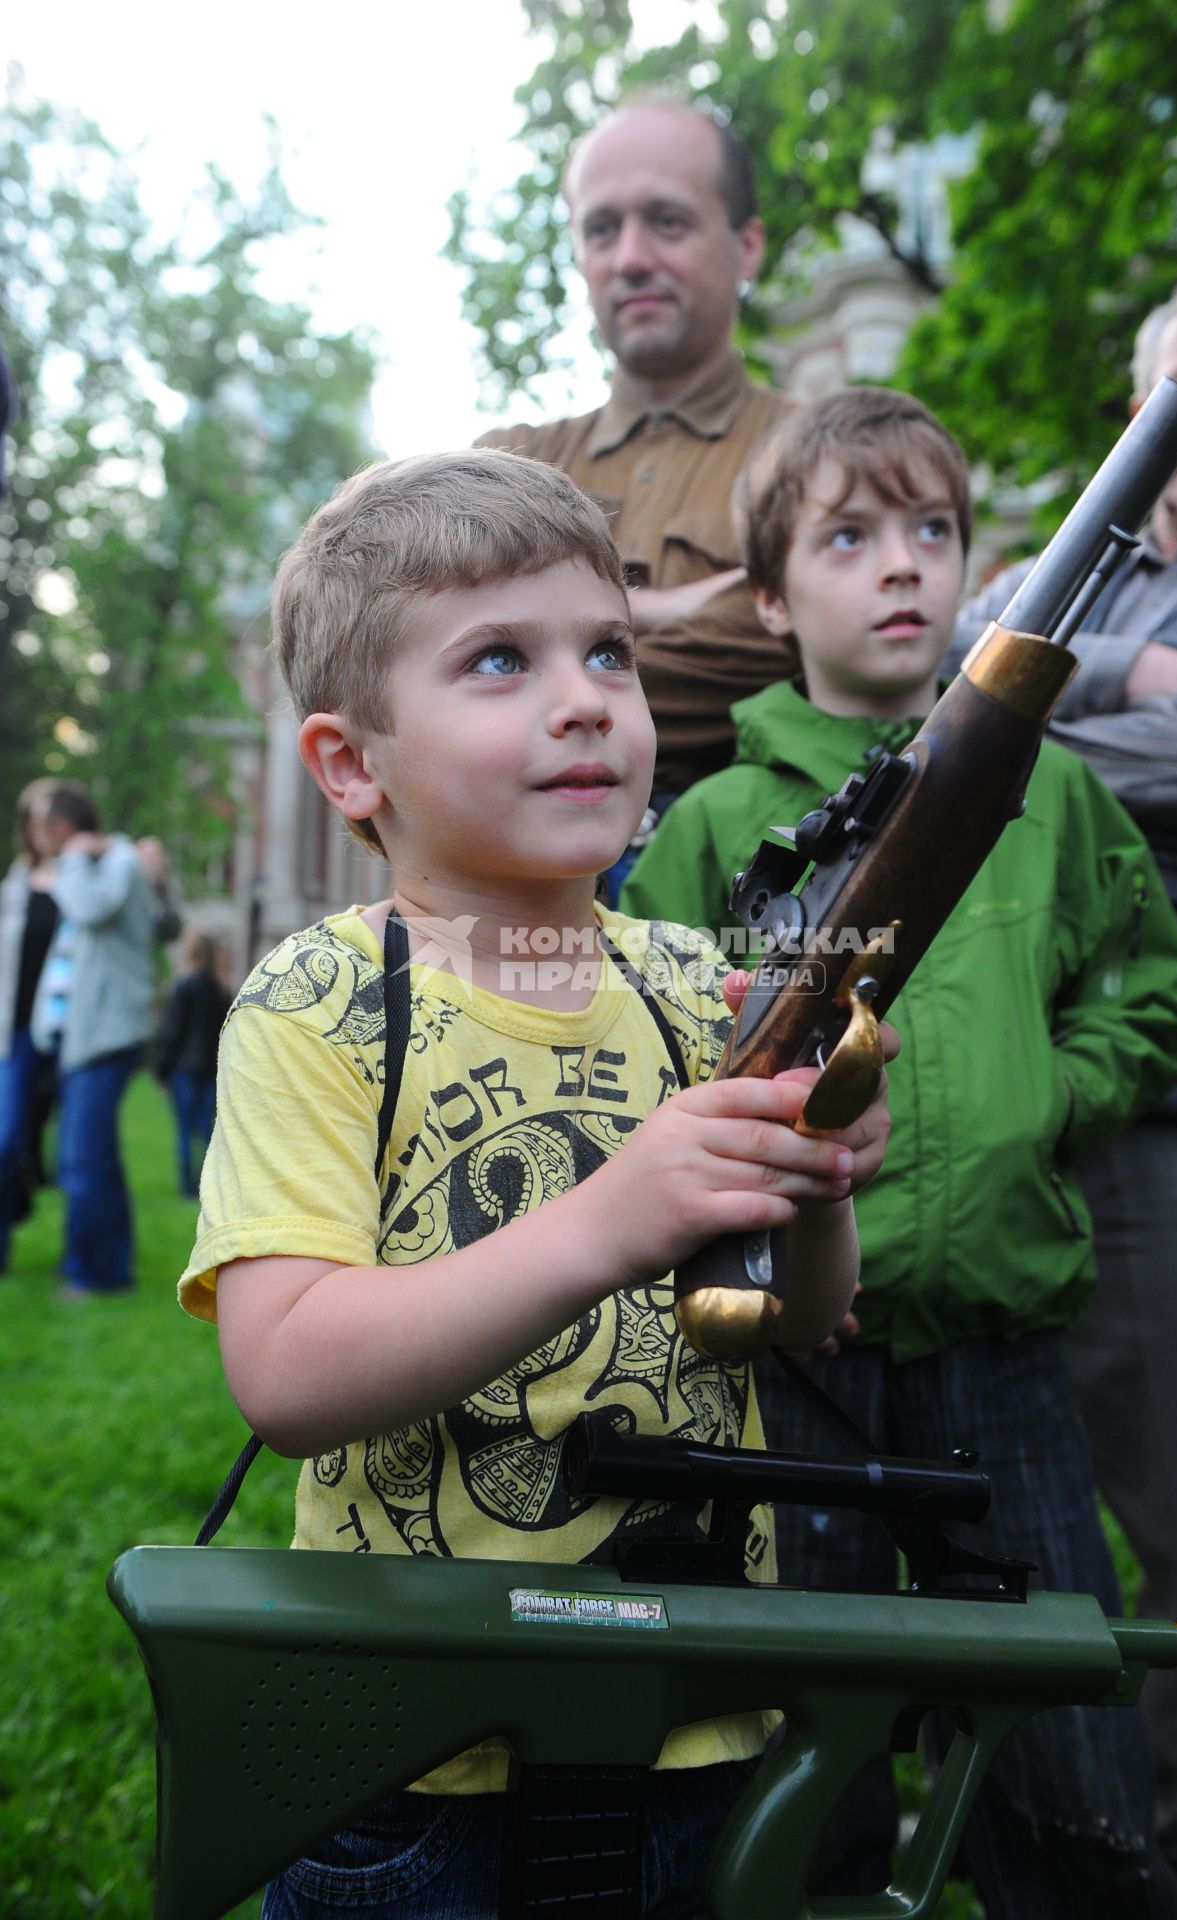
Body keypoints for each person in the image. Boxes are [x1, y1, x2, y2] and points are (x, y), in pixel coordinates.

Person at [177, 447, 892, 1920]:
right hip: (418, 1746)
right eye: (499, 659)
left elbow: (800, 1321)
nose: (585, 700)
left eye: (608, 652)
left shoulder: (700, 987)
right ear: (350, 763)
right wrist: (607, 1221)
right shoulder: (319, 1000)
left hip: (696, 1716)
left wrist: (810, 1183)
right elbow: (288, 1371)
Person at [623, 388, 1177, 1920]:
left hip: (1002, 1346)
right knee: (792, 1738)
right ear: (771, 595)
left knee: (1053, 1750)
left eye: (931, 532)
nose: (901, 567)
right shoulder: (721, 826)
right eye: (850, 536)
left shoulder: (1053, 792)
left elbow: (1148, 993)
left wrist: (1041, 1099)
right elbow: (652, 1057)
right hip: (781, 1372)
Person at [953, 265, 1177, 1920]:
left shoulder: (1111, 601)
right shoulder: (1076, 563)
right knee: (1005, 1528)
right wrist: (1164, 691)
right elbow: (959, 656)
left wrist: (1062, 709)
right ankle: (1037, 1853)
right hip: (1002, 1115)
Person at [477, 95, 797, 893]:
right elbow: (409, 657)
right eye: (600, 229)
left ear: (747, 244)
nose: (630, 258)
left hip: (751, 891)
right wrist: (681, 608)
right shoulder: (507, 465)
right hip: (521, 904)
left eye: (667, 221)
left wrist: (516, 672)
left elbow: (808, 646)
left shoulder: (824, 456)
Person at [28, 783, 155, 1296]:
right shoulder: (104, 864)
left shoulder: (116, 862)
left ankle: (92, 1275)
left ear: (61, 830)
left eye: (43, 831)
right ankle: (108, 1265)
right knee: (90, 1156)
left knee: (83, 1159)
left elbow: (86, 909)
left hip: (104, 1036)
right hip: (82, 1037)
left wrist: (75, 860)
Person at [0, 781, 61, 1268]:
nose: (43, 828)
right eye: (35, 818)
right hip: (17, 1032)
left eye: (52, 816)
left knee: (73, 1148)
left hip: (70, 1033)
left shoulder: (91, 874)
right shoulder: (17, 881)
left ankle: (88, 1263)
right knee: (6, 1136)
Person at [153, 927, 231, 1197]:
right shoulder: (220, 992)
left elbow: (173, 1032)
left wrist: (162, 1071)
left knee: (185, 1130)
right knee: (208, 1131)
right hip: (210, 1070)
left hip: (184, 1069)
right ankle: (209, 1185)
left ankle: (187, 1186)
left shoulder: (183, 989)